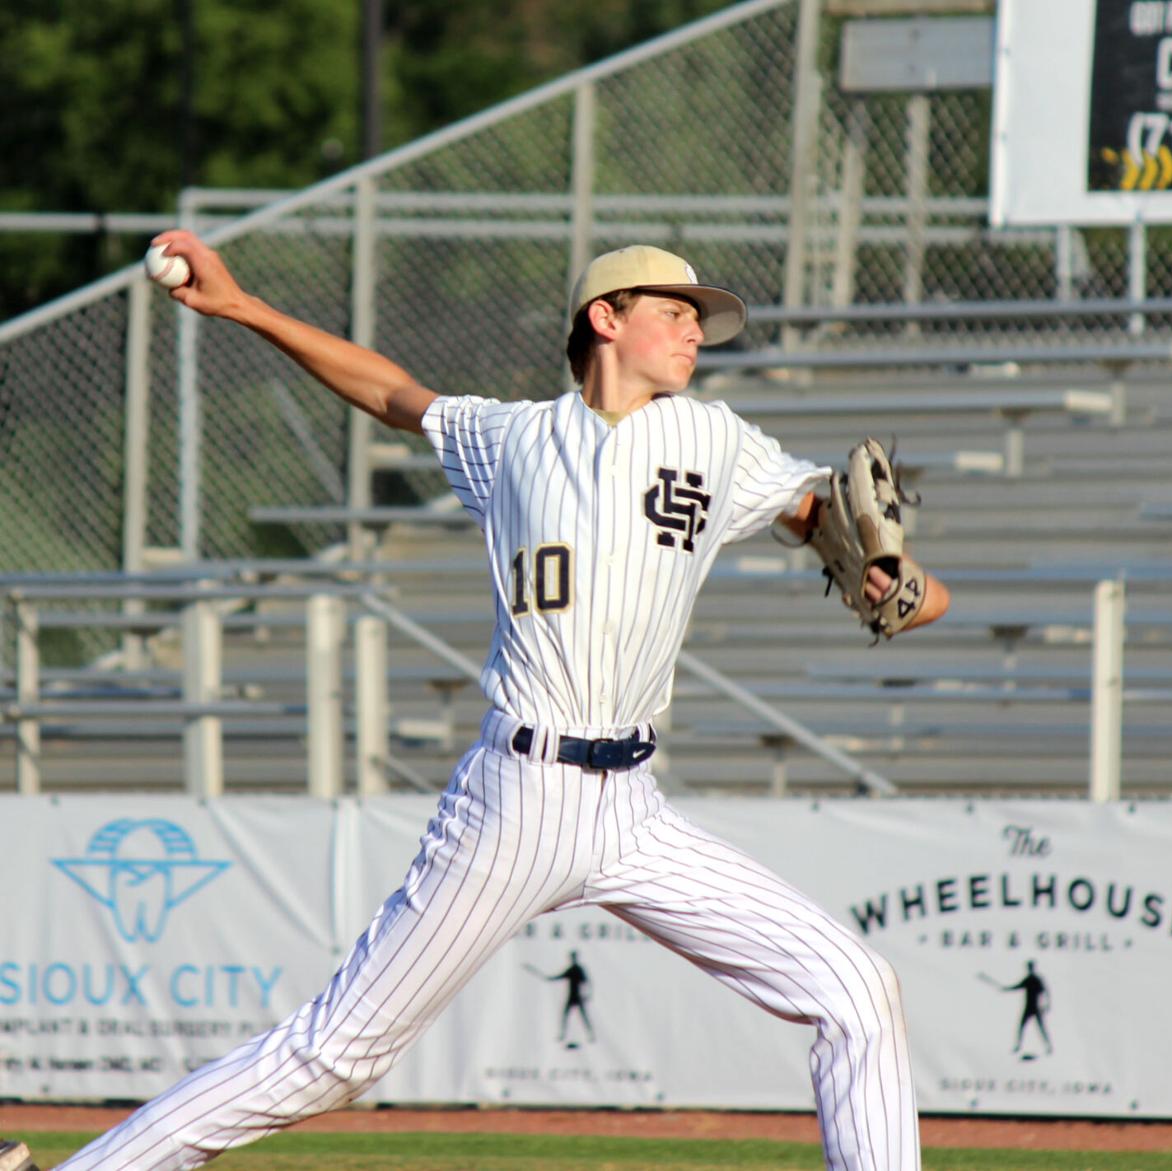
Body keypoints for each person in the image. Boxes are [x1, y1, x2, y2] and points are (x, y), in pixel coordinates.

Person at [49, 235, 949, 1171]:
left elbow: (837, 530)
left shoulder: (715, 439)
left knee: (856, 988)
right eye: (675, 313)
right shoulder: (510, 439)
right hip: (517, 798)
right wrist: (243, 307)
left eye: (699, 321)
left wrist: (895, 579)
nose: (695, 333)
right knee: (334, 1055)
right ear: (606, 317)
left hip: (632, 812)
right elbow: (391, 393)